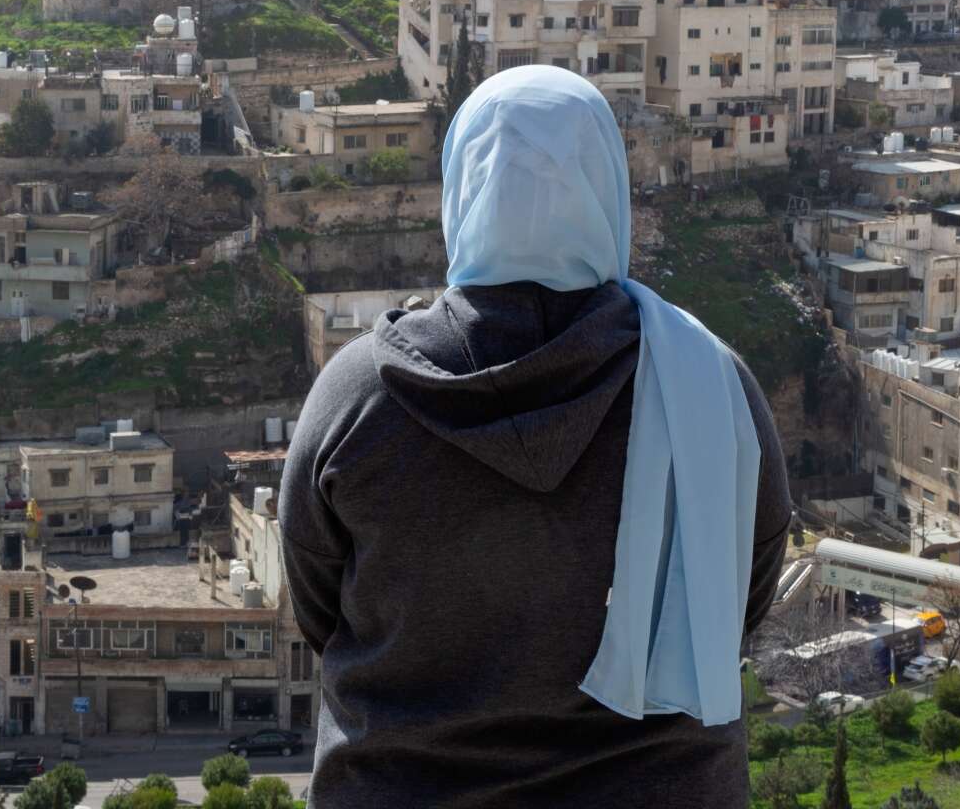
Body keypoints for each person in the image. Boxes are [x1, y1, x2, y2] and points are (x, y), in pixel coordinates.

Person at [280, 66, 791, 808]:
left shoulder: (360, 393)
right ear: (607, 189)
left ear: (462, 188)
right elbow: (746, 592)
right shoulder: (710, 383)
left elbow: (318, 607)